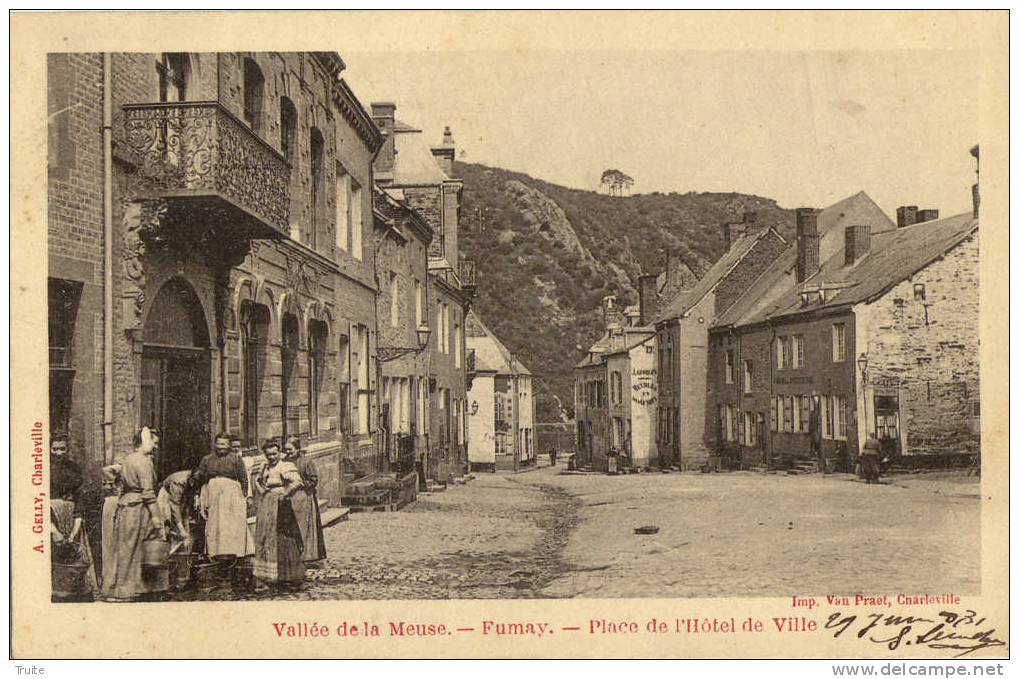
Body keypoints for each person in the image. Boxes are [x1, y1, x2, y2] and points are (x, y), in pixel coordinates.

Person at [108, 427, 166, 601]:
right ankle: (130, 589)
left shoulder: (128, 459)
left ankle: (119, 588)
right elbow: (148, 492)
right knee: (135, 549)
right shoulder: (143, 461)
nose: (156, 447)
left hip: (126, 505)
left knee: (124, 548)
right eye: (154, 443)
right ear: (145, 442)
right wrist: (156, 517)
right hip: (138, 508)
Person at [50, 434, 97, 601]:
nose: (58, 453)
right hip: (50, 517)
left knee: (75, 553)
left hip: (71, 518)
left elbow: (79, 502)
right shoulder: (43, 468)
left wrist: (74, 532)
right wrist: (53, 530)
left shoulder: (74, 469)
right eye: (55, 449)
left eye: (62, 449)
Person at [253, 439, 305, 587]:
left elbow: (298, 481)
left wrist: (285, 493)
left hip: (280, 505)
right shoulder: (264, 466)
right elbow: (257, 481)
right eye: (268, 454)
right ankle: (267, 575)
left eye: (274, 454)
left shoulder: (285, 466)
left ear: (279, 453)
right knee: (265, 537)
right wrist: (262, 491)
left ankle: (287, 575)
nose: (272, 457)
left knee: (283, 536)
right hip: (266, 505)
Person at [194, 433, 249, 563]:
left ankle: (233, 553)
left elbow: (243, 478)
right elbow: (199, 479)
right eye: (218, 444)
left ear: (229, 445)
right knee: (215, 523)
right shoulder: (207, 460)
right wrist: (198, 496)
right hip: (213, 493)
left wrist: (244, 495)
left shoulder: (236, 459)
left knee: (232, 524)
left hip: (232, 494)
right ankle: (215, 553)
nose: (220, 447)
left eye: (223, 444)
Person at [284, 437, 326, 564]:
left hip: (303, 498)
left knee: (304, 526)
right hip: (288, 498)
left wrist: (301, 484)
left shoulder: (306, 462)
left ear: (297, 449)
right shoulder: (283, 462)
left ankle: (307, 554)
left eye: (290, 449)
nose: (288, 452)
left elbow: (313, 480)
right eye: (285, 450)